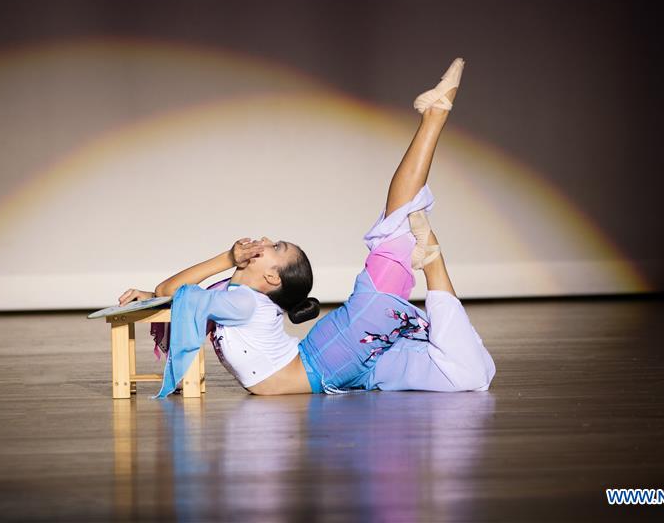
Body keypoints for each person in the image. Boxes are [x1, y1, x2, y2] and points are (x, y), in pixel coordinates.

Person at [117, 57, 496, 396]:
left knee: (393, 241)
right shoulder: (238, 299)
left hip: (330, 358)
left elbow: (179, 293)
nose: (263, 241)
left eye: (275, 247)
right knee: (467, 372)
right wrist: (154, 295)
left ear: (271, 279)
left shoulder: (240, 301)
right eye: (275, 244)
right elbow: (180, 296)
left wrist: (222, 259)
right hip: (327, 362)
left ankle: (434, 119)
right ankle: (430, 257)